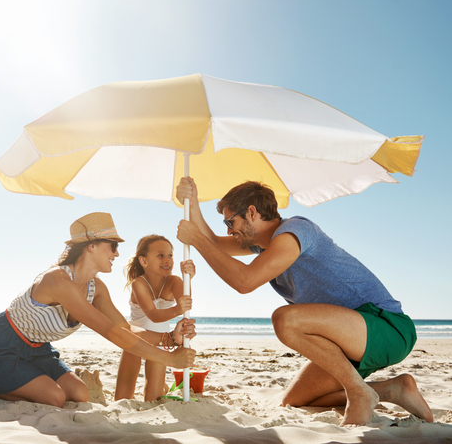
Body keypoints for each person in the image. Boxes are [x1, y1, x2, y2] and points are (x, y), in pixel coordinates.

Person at [175, 177, 433, 426]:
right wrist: (194, 204)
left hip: (386, 328)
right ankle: (393, 389)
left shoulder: (295, 232)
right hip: (347, 341)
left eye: (230, 222)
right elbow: (216, 246)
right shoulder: (265, 245)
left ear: (252, 212)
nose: (229, 230)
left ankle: (359, 392)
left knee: (286, 319)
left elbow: (245, 281)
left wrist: (196, 240)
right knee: (295, 402)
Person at [0, 212, 196, 407]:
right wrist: (171, 359)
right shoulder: (58, 281)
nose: (117, 254)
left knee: (79, 393)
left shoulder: (97, 288)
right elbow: (113, 334)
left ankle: (21, 380)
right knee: (54, 396)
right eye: (113, 246)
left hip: (37, 350)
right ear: (91, 246)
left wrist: (170, 338)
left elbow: (124, 329)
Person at [114, 235, 195, 401]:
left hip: (160, 343)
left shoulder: (174, 281)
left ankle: (161, 387)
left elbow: (185, 301)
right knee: (122, 399)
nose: (167, 260)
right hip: (135, 340)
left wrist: (188, 279)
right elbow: (153, 314)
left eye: (170, 255)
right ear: (143, 261)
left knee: (152, 399)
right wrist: (178, 308)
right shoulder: (139, 284)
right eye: (160, 255)